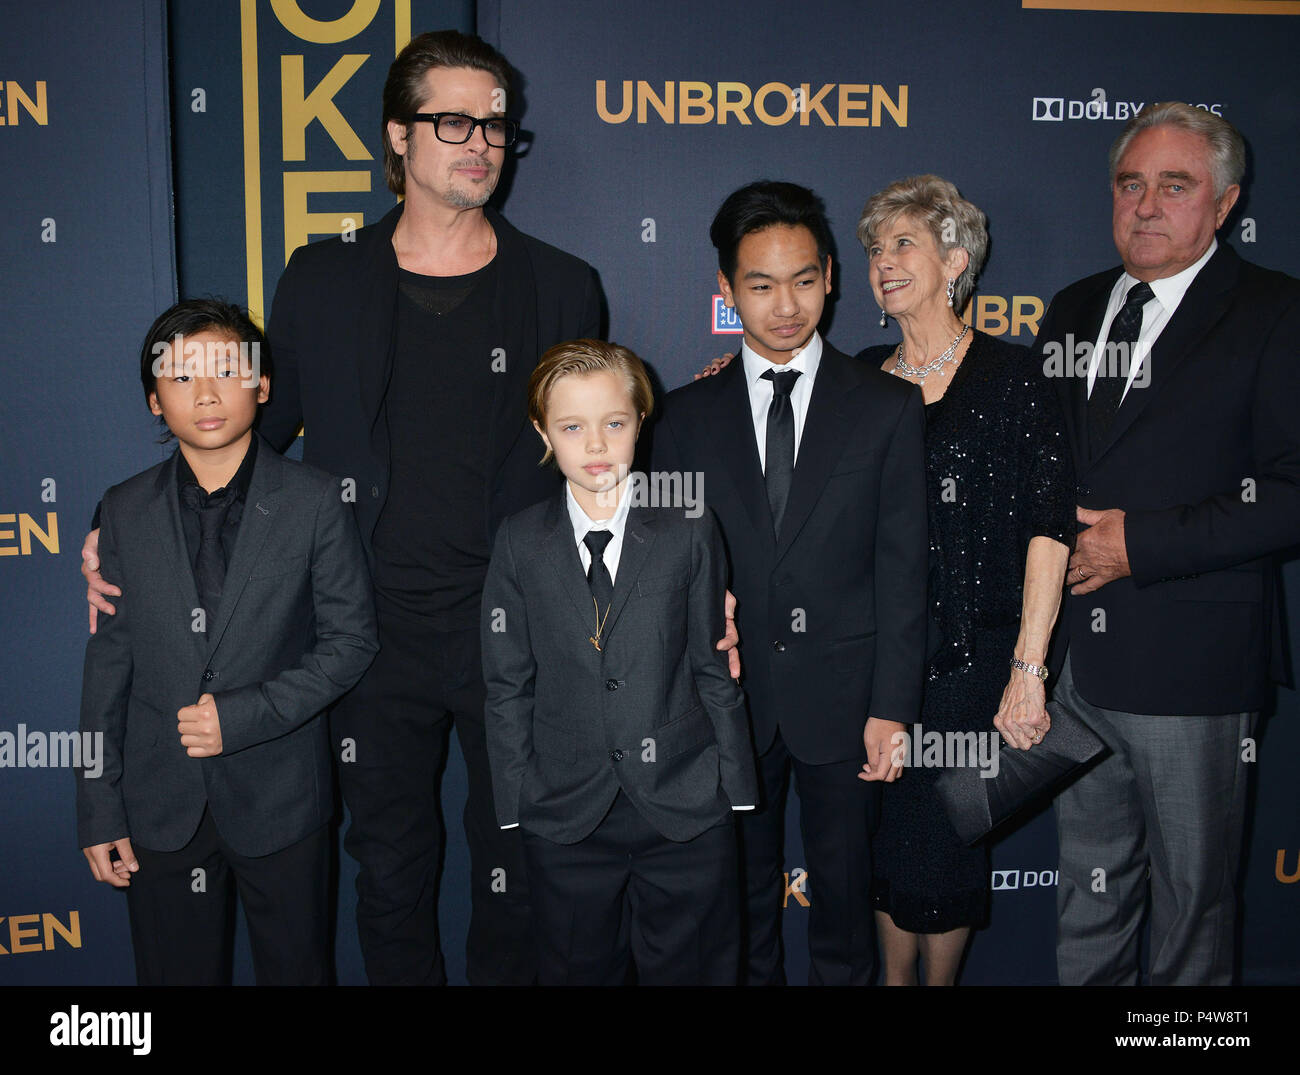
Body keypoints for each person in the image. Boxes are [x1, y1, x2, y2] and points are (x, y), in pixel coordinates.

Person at [82, 30, 604, 986]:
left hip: (521, 631)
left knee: (520, 875)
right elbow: (246, 443)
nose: (481, 140)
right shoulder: (322, 278)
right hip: (366, 637)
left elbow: (602, 464)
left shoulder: (564, 286)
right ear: (398, 136)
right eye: (454, 120)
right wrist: (108, 531)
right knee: (391, 875)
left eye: (495, 123)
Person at [1032, 102, 1300, 985]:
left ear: (1223, 205)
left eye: (1174, 186)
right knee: (1089, 895)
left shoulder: (1276, 313)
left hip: (1195, 664)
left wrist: (1138, 545)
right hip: (1076, 668)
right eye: (1131, 183)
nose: (1145, 205)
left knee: (1193, 912)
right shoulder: (1073, 307)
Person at [653, 181, 929, 986]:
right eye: (761, 285)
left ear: (833, 276)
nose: (785, 306)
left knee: (845, 910)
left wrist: (892, 708)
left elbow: (902, 566)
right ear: (727, 291)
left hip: (847, 704)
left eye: (804, 280)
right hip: (727, 703)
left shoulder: (886, 406)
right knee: (737, 909)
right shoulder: (680, 416)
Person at [77, 299, 378, 985]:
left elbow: (350, 641)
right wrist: (98, 806)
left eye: (225, 371)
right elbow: (108, 665)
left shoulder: (315, 500)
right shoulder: (123, 509)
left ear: (263, 384)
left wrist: (241, 715)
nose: (205, 393)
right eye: (180, 376)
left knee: (298, 971)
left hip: (281, 797)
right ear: (154, 399)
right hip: (159, 803)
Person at [854, 175, 1073, 985]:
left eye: (902, 244)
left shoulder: (1016, 378)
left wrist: (1028, 668)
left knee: (943, 850)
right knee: (884, 844)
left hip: (974, 667)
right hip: (877, 665)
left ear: (955, 259)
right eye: (875, 249)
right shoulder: (858, 381)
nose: (883, 262)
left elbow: (1051, 529)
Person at [481, 339, 757, 985]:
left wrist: (736, 787)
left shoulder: (688, 524)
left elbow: (713, 663)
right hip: (564, 813)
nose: (596, 443)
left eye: (615, 422)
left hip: (686, 805)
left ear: (642, 420)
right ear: (542, 431)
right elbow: (506, 681)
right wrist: (519, 799)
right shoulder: (520, 541)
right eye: (572, 426)